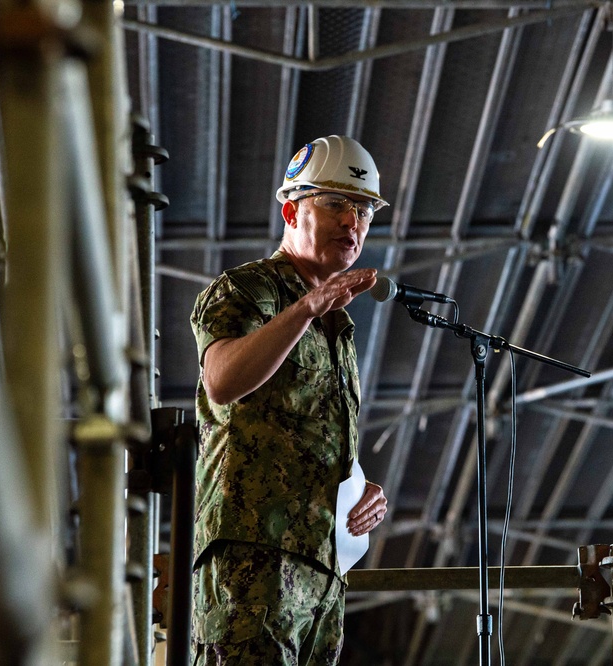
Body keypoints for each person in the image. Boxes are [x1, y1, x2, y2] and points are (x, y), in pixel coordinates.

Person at [189, 136, 388, 665]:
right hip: (252, 558)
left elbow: (306, 429)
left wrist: (359, 484)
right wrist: (306, 307)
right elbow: (224, 381)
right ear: (291, 210)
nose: (353, 221)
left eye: (364, 209)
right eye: (336, 203)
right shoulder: (246, 291)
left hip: (322, 569)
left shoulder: (337, 325)